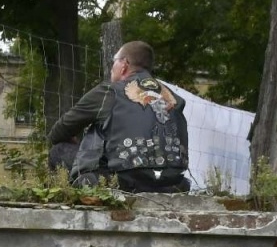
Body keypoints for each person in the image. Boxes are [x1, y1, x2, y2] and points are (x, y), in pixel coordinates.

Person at [46, 41, 189, 193]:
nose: (111, 68)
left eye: (114, 62)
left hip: (122, 181)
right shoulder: (175, 98)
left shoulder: (110, 91)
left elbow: (58, 132)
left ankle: (79, 195)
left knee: (59, 150)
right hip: (171, 184)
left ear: (124, 65)